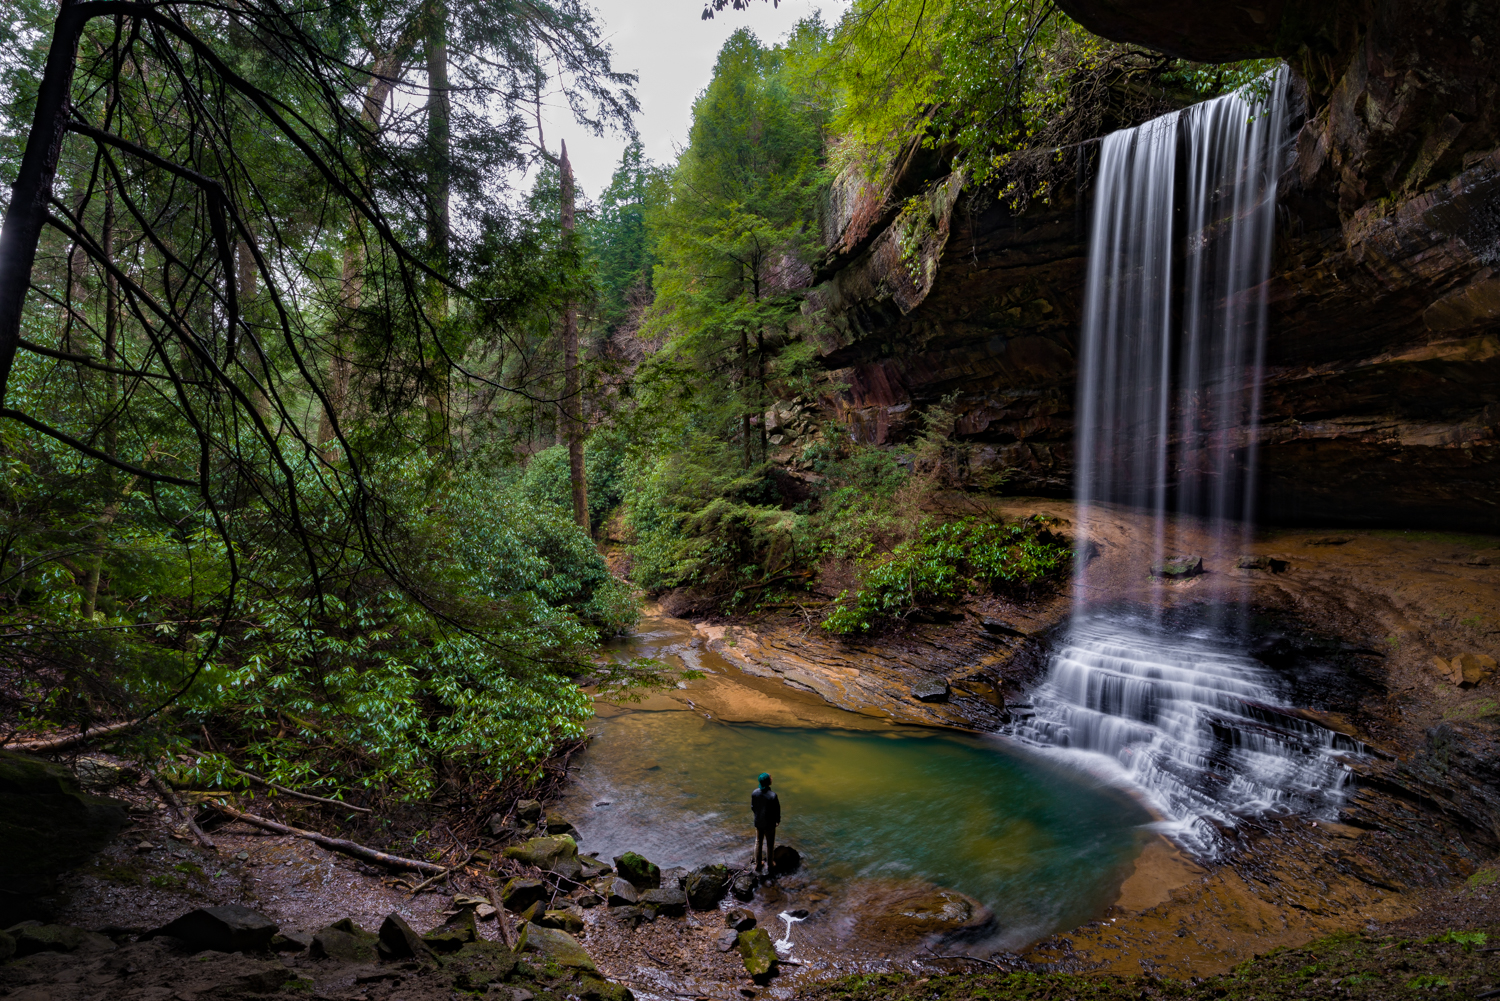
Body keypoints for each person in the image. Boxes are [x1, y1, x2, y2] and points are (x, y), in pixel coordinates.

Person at [750, 772, 780, 871]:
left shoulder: (754, 793)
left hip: (758, 822)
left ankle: (758, 864)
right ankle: (770, 864)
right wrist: (777, 820)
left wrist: (758, 816)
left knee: (758, 842)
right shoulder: (773, 796)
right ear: (768, 782)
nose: (772, 778)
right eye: (770, 778)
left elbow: (753, 807)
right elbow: (776, 810)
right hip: (769, 824)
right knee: (770, 844)